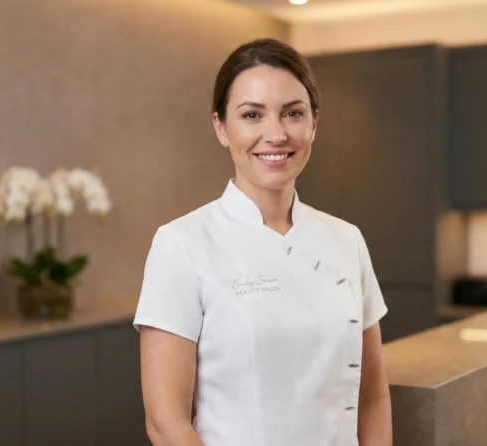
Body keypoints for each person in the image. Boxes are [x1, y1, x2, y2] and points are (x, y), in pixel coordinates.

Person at [133, 37, 392, 446]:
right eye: (252, 115)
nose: (275, 134)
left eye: (292, 113)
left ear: (314, 123)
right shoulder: (180, 244)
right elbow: (166, 422)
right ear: (221, 126)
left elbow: (373, 398)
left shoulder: (347, 240)